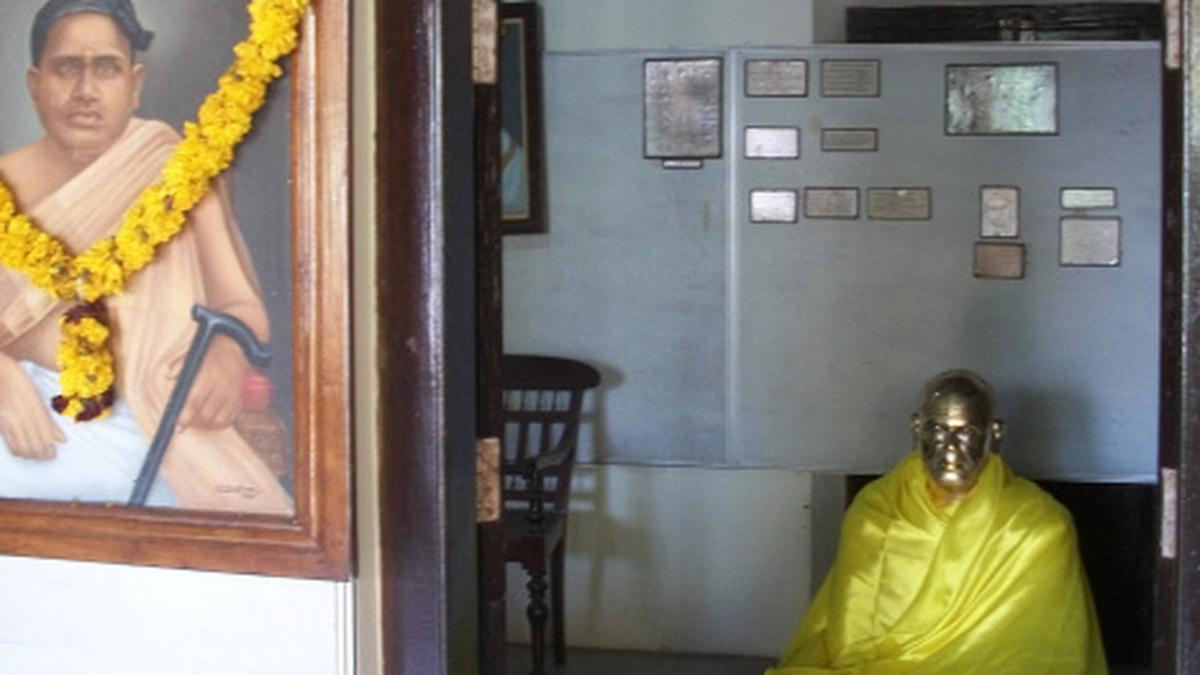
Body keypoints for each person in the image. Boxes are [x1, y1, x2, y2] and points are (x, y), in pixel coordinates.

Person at [0, 0, 290, 513]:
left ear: (134, 85)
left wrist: (226, 356)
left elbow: (243, 309)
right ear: (34, 83)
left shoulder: (177, 171)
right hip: (24, 416)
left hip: (151, 423)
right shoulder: (5, 181)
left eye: (106, 69)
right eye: (66, 68)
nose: (85, 91)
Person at [767, 370, 1106, 674]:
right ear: (917, 428)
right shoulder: (877, 513)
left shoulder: (1037, 526)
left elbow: (1044, 653)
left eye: (966, 432)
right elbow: (851, 642)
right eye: (938, 431)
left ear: (995, 434)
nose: (951, 448)